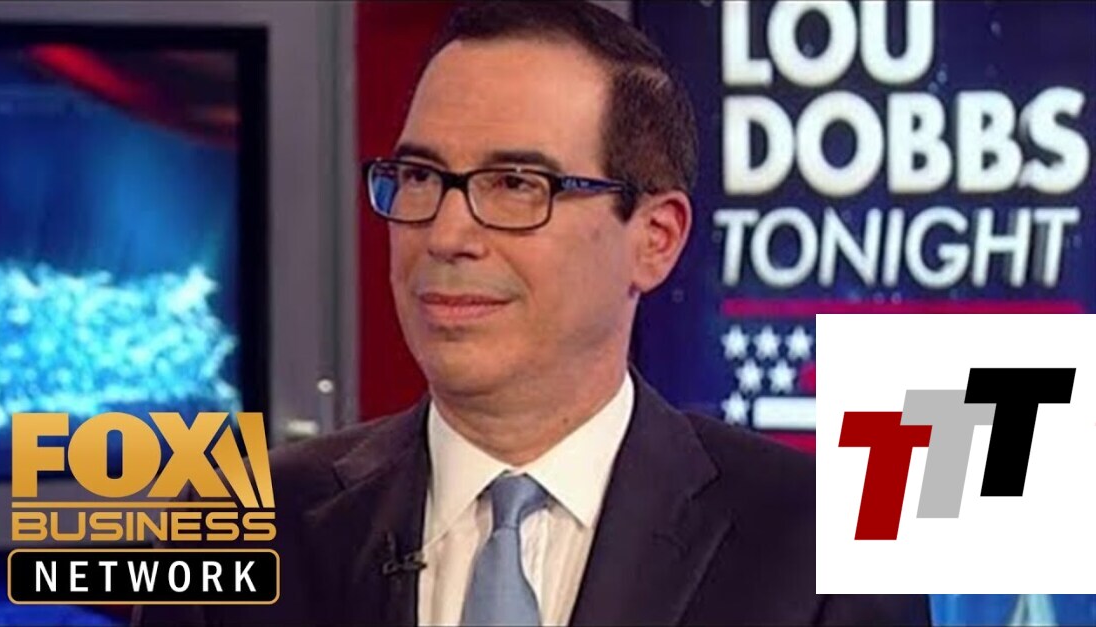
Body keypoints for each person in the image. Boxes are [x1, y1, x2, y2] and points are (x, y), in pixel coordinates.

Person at [136, 2, 930, 625]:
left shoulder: (817, 546)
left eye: (517, 185)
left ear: (653, 239)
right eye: (420, 177)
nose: (446, 234)